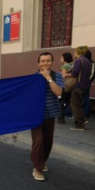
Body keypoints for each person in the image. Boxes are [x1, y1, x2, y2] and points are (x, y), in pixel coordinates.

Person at [31, 52, 64, 181]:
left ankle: (42, 161)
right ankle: (37, 168)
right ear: (38, 63)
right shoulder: (33, 78)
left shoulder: (57, 76)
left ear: (51, 62)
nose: (45, 63)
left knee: (48, 142)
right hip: (36, 115)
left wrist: (49, 78)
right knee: (38, 141)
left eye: (48, 61)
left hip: (50, 114)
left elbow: (58, 92)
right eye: (43, 61)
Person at [69, 46, 92, 131]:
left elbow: (74, 73)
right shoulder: (88, 61)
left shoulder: (79, 60)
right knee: (78, 104)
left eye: (75, 52)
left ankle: (79, 125)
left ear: (78, 52)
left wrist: (67, 74)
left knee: (75, 105)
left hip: (78, 85)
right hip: (85, 85)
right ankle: (83, 119)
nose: (74, 53)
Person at [57, 52, 73, 123]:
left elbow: (63, 76)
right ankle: (71, 115)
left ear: (65, 58)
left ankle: (61, 119)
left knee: (61, 102)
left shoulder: (64, 66)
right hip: (70, 86)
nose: (60, 58)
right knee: (68, 102)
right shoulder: (72, 65)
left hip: (64, 85)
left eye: (61, 57)